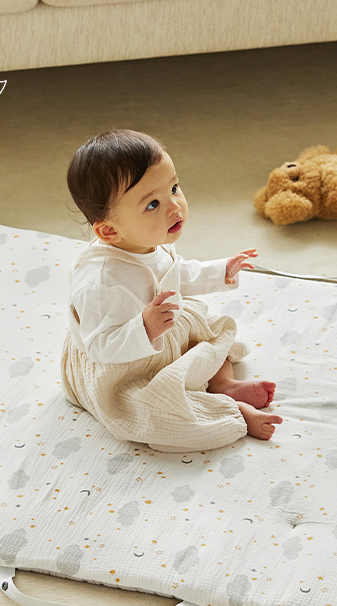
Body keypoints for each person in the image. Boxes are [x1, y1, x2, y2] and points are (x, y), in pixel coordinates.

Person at [60, 128, 283, 452]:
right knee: (153, 411)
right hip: (123, 365)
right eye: (153, 204)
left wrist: (221, 270)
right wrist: (144, 328)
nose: (174, 207)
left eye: (174, 188)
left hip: (161, 335)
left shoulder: (146, 240)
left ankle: (223, 383)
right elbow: (100, 346)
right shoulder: (100, 282)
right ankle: (231, 410)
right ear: (109, 230)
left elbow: (177, 273)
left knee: (211, 330)